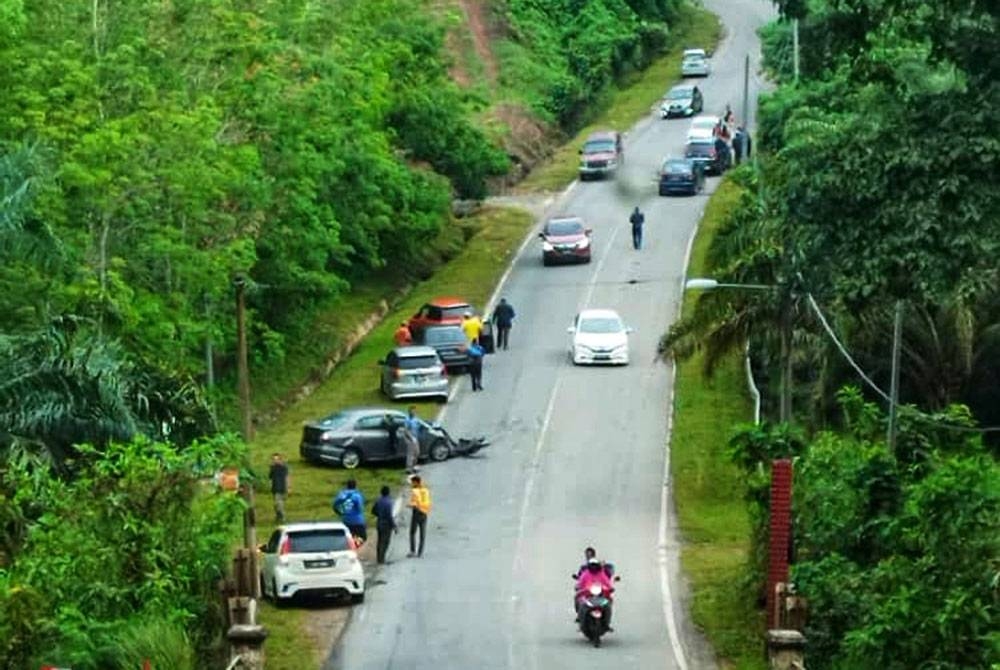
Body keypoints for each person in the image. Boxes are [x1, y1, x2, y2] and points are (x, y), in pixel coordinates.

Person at [575, 558, 615, 629]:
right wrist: (578, 587)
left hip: (600, 595)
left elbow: (607, 583)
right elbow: (580, 583)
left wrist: (610, 588)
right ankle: (580, 617)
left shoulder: (602, 574)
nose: (593, 567)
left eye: (595, 565)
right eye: (592, 565)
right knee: (578, 599)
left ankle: (606, 623)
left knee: (608, 604)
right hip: (587, 594)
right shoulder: (585, 574)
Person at [332, 479, 367, 543]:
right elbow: (360, 508)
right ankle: (354, 547)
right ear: (355, 486)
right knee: (362, 537)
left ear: (347, 485)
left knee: (347, 537)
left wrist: (340, 513)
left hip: (345, 520)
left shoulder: (341, 494)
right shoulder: (357, 495)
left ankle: (350, 545)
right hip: (357, 521)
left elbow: (334, 506)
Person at [371, 485, 397, 564]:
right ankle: (382, 559)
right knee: (385, 542)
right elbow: (389, 516)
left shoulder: (378, 500)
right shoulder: (389, 502)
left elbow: (373, 511)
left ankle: (379, 558)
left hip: (379, 523)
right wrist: (394, 526)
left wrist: (379, 515)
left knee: (379, 541)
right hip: (386, 525)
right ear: (388, 493)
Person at [407, 475, 432, 557]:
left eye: (413, 482)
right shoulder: (426, 490)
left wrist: (409, 505)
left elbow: (414, 503)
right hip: (424, 514)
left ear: (416, 482)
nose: (412, 484)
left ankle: (412, 551)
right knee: (422, 534)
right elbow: (428, 502)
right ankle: (420, 553)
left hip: (416, 513)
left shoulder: (415, 491)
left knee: (412, 532)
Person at [268, 453, 290, 523]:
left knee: (279, 504)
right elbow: (270, 478)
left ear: (280, 459)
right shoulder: (272, 468)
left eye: (276, 459)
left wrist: (288, 487)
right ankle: (278, 517)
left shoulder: (284, 468)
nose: (275, 461)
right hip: (275, 488)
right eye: (274, 459)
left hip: (282, 488)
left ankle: (282, 517)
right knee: (276, 504)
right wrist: (270, 486)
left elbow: (287, 478)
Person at [403, 406, 423, 474]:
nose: (414, 412)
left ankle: (414, 466)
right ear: (409, 412)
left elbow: (419, 424)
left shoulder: (415, 418)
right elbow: (406, 430)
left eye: (414, 411)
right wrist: (411, 438)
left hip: (415, 437)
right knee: (411, 453)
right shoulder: (407, 419)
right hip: (410, 438)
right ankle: (409, 468)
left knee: (417, 452)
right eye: (412, 411)